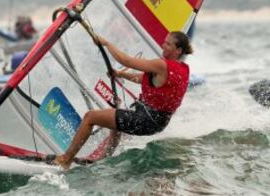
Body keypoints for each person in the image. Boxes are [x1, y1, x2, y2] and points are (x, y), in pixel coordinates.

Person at [54, 31, 193, 169]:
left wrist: (107, 44)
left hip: (145, 119)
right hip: (158, 121)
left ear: (178, 50)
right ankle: (104, 158)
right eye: (164, 42)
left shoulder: (162, 65)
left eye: (168, 44)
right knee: (116, 119)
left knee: (90, 117)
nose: (163, 45)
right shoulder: (183, 69)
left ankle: (66, 160)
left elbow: (126, 61)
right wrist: (121, 74)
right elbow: (147, 79)